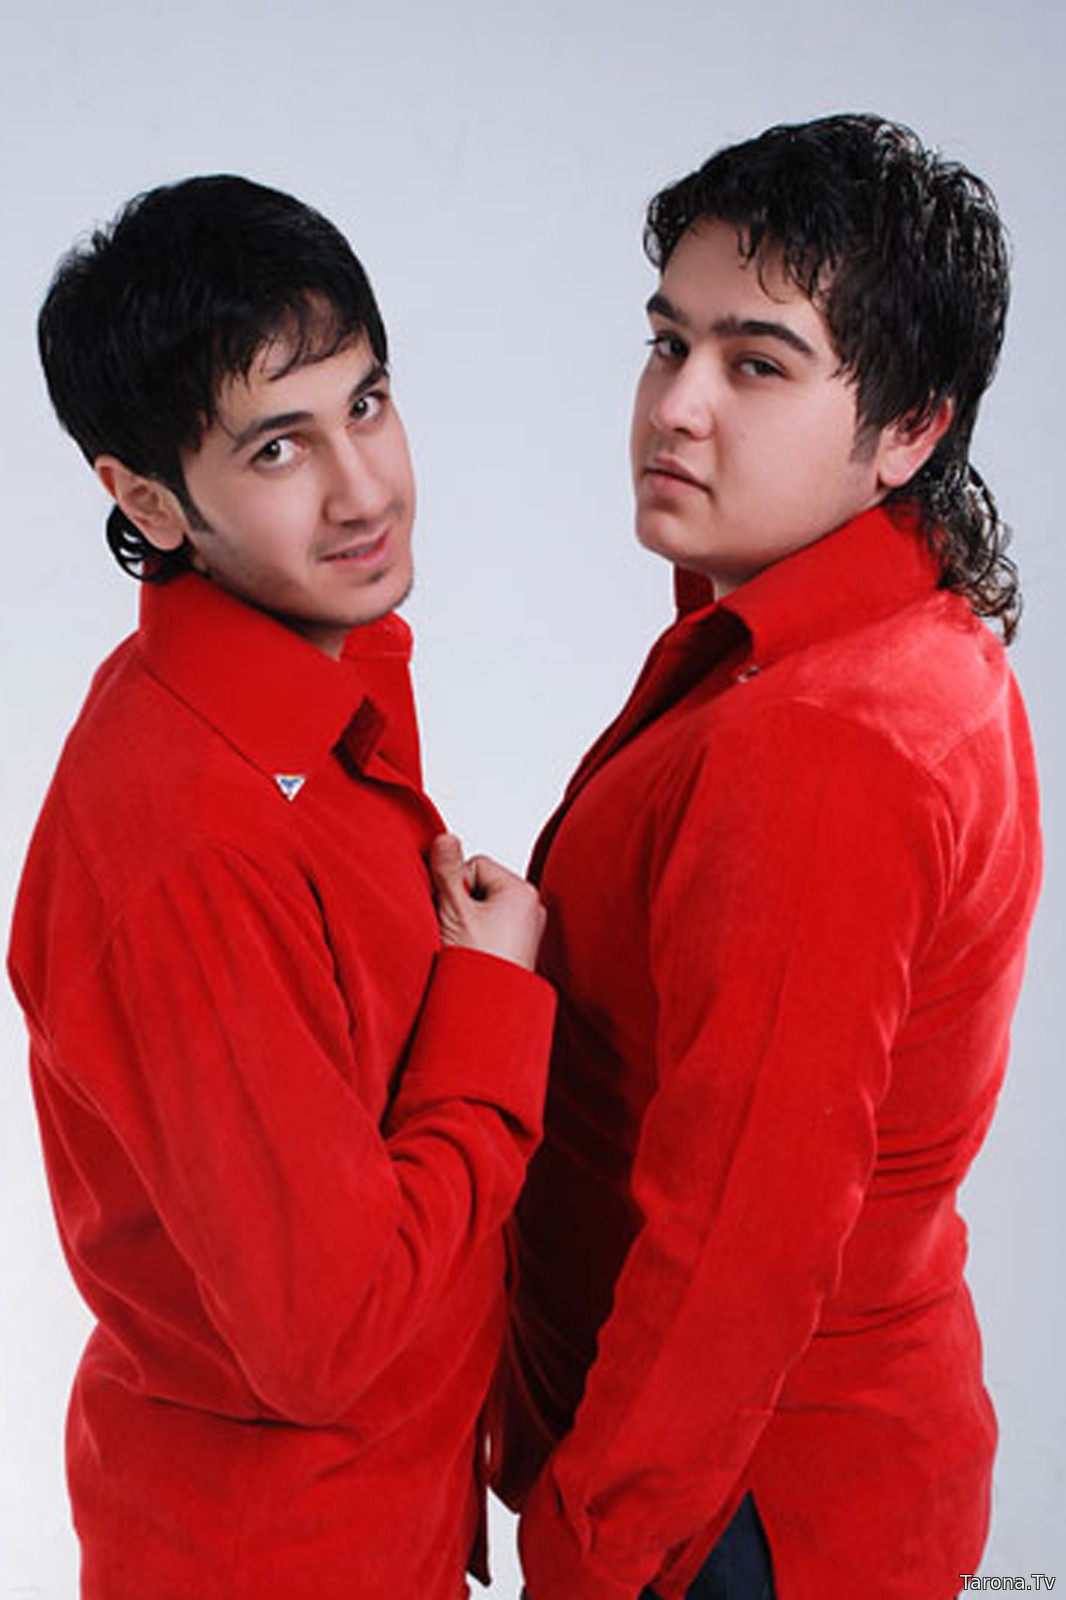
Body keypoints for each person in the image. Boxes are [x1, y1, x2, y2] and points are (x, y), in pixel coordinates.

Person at [492, 115, 1042, 1600]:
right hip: (764, 1484)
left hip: (732, 1518)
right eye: (666, 343)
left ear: (911, 428)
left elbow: (740, 1243)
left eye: (756, 365)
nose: (674, 407)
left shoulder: (824, 740)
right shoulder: (864, 640)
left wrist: (587, 1557)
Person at [7, 175, 555, 1600]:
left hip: (390, 1521)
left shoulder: (324, 670)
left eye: (366, 403)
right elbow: (326, 1334)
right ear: (148, 499)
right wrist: (491, 1004)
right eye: (278, 447)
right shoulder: (185, 837)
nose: (363, 488)